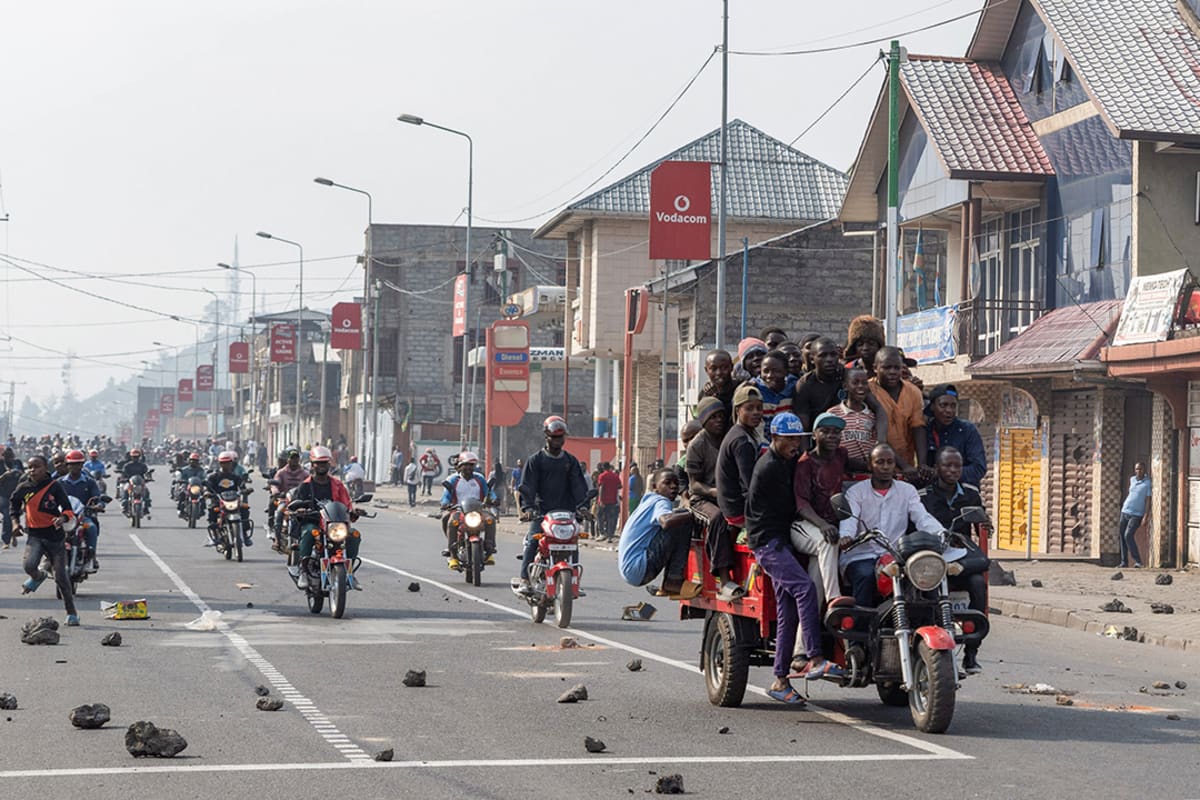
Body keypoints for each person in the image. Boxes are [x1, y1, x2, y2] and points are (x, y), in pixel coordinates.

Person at [745, 413, 841, 704]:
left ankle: (779, 680)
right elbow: (797, 504)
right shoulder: (771, 467)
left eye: (797, 439)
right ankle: (813, 656)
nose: (794, 445)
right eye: (788, 439)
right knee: (804, 588)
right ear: (774, 438)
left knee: (787, 610)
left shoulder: (787, 461)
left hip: (782, 541)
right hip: (768, 543)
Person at [838, 444, 944, 608]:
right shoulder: (856, 492)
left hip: (895, 555)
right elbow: (849, 519)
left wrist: (940, 533)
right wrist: (846, 536)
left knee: (922, 574)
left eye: (890, 462)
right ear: (870, 465)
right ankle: (860, 627)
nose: (886, 467)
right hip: (862, 555)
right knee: (865, 576)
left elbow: (922, 517)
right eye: (880, 462)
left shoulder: (907, 491)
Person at [920, 446, 989, 674]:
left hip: (962, 558)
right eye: (947, 465)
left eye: (957, 466)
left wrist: (987, 526)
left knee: (979, 581)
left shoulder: (971, 493)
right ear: (937, 467)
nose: (952, 470)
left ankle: (971, 652)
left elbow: (982, 522)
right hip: (933, 555)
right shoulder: (923, 496)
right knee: (928, 585)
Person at [792, 413, 864, 608]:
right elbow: (801, 504)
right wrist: (823, 525)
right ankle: (835, 598)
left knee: (814, 592)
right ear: (814, 435)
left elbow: (863, 466)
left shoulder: (841, 455)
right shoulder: (805, 463)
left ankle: (806, 637)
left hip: (829, 528)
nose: (832, 436)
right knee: (828, 542)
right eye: (826, 431)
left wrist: (890, 467)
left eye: (836, 432)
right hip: (806, 526)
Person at [515, 416, 588, 595]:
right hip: (542, 512)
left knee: (573, 542)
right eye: (554, 437)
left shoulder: (570, 461)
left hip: (566, 513)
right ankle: (524, 578)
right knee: (533, 540)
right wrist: (529, 508)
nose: (557, 441)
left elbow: (578, 486)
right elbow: (528, 486)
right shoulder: (535, 460)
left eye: (560, 437)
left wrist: (583, 505)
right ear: (546, 437)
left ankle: (574, 579)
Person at [10, 455, 80, 625]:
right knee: (29, 566)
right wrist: (15, 524)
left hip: (55, 537)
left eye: (36, 467)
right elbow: (14, 506)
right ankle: (38, 576)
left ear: (45, 468)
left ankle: (72, 613)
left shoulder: (54, 486)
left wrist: (62, 519)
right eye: (30, 467)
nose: (32, 470)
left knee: (61, 578)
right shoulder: (23, 487)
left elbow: (68, 509)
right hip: (34, 535)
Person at [687, 397, 743, 602]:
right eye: (713, 417)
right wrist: (714, 491)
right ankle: (723, 578)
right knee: (718, 518)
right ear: (703, 421)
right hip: (703, 499)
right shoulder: (697, 444)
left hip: (729, 494)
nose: (719, 420)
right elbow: (693, 484)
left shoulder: (731, 437)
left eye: (721, 416)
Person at [292, 446, 362, 590]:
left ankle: (350, 571)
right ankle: (304, 571)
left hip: (335, 525)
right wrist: (300, 510)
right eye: (318, 463)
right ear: (312, 465)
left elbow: (346, 503)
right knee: (309, 533)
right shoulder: (305, 486)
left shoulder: (337, 485)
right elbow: (296, 503)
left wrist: (354, 511)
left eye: (324, 463)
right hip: (314, 523)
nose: (321, 466)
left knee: (354, 535)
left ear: (329, 464)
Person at [617, 469, 696, 596]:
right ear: (655, 487)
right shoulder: (661, 501)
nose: (673, 486)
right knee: (682, 520)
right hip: (639, 568)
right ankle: (673, 580)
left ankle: (669, 582)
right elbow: (665, 521)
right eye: (667, 483)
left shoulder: (648, 500)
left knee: (679, 516)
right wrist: (693, 514)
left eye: (676, 483)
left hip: (630, 570)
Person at [869, 347, 931, 481]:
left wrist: (922, 464)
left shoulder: (913, 391)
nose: (892, 372)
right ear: (875, 368)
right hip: (878, 466)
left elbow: (918, 427)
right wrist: (904, 466)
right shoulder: (868, 391)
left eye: (896, 368)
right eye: (886, 367)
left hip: (907, 466)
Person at [716, 383, 764, 552]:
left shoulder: (745, 432)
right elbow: (751, 484)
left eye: (759, 408)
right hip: (737, 509)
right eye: (749, 408)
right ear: (737, 410)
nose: (756, 412)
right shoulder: (741, 441)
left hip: (733, 504)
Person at [440, 451, 497, 567]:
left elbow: (489, 492)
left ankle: (489, 549)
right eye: (465, 465)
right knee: (450, 521)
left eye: (471, 465)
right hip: (459, 511)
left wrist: (494, 499)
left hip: (478, 511)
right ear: (460, 466)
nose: (468, 468)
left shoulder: (480, 479)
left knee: (491, 519)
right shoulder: (452, 480)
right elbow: (446, 496)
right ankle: (453, 555)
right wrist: (445, 503)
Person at [924, 384, 986, 487]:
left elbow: (978, 468)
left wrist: (944, 473)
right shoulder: (926, 430)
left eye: (953, 406)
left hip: (964, 493)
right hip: (933, 493)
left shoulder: (967, 430)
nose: (949, 410)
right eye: (943, 405)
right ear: (932, 406)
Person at [828, 367, 887, 465]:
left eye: (864, 383)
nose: (861, 386)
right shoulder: (833, 413)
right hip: (842, 471)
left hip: (867, 472)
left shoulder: (872, 415)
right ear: (845, 386)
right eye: (855, 383)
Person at [58, 450, 104, 572]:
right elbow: (50, 497)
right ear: (67, 466)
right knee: (50, 529)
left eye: (78, 464)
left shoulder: (89, 482)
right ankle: (47, 557)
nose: (75, 467)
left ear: (82, 465)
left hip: (82, 517)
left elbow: (97, 497)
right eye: (71, 464)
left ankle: (91, 556)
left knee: (92, 528)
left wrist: (98, 505)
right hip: (64, 517)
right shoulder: (60, 482)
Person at [205, 451, 253, 548]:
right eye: (223, 463)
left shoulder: (235, 477)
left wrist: (246, 490)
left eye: (228, 462)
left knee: (244, 509)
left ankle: (244, 534)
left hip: (233, 501)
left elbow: (242, 486)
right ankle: (214, 535)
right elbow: (208, 486)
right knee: (212, 510)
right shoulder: (214, 476)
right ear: (220, 463)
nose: (226, 465)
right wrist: (207, 492)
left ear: (231, 463)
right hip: (219, 501)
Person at [750, 350, 797, 434]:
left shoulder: (794, 388)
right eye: (765, 371)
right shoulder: (754, 390)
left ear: (786, 371)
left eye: (776, 371)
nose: (770, 375)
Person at [1118, 461, 1151, 569]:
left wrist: (1146, 515)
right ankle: (1124, 562)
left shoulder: (1147, 483)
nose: (1138, 471)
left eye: (1140, 469)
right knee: (1122, 535)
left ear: (1144, 470)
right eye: (1137, 469)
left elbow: (1148, 500)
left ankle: (1138, 561)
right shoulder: (1132, 480)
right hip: (1125, 510)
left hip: (1137, 514)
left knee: (1128, 535)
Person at [698, 349, 736, 421]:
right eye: (713, 369)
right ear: (706, 370)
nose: (719, 373)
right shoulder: (705, 394)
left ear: (731, 367)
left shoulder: (740, 388)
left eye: (724, 367)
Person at [115, 448, 152, 517]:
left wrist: (148, 478)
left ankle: (146, 508)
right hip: (130, 483)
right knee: (125, 491)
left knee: (146, 491)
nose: (135, 458)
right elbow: (123, 474)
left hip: (140, 483)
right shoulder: (127, 465)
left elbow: (146, 473)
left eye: (137, 457)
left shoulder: (142, 465)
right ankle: (124, 507)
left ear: (139, 457)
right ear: (131, 457)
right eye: (134, 457)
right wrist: (123, 479)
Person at [1, 447, 25, 549]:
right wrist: (5, 475)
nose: (10, 458)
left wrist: (20, 473)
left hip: (16, 493)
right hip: (3, 494)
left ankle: (13, 534)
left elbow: (25, 476)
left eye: (11, 456)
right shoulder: (1, 464)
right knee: (7, 516)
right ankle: (6, 540)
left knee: (16, 515)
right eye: (7, 456)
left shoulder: (18, 463)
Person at [596, 462, 623, 541]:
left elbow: (601, 488)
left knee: (599, 516)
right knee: (610, 518)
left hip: (603, 500)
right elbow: (620, 486)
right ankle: (610, 535)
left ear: (603, 468)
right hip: (612, 500)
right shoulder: (615, 476)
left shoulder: (602, 476)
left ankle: (602, 533)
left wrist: (601, 500)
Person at [176, 452, 207, 518]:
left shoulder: (201, 470)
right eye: (192, 460)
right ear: (189, 461)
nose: (193, 462)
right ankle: (180, 509)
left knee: (204, 495)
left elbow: (204, 477)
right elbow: (180, 476)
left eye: (195, 461)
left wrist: (205, 480)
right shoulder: (185, 469)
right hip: (187, 485)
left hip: (197, 486)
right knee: (182, 493)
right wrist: (180, 479)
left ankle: (202, 509)